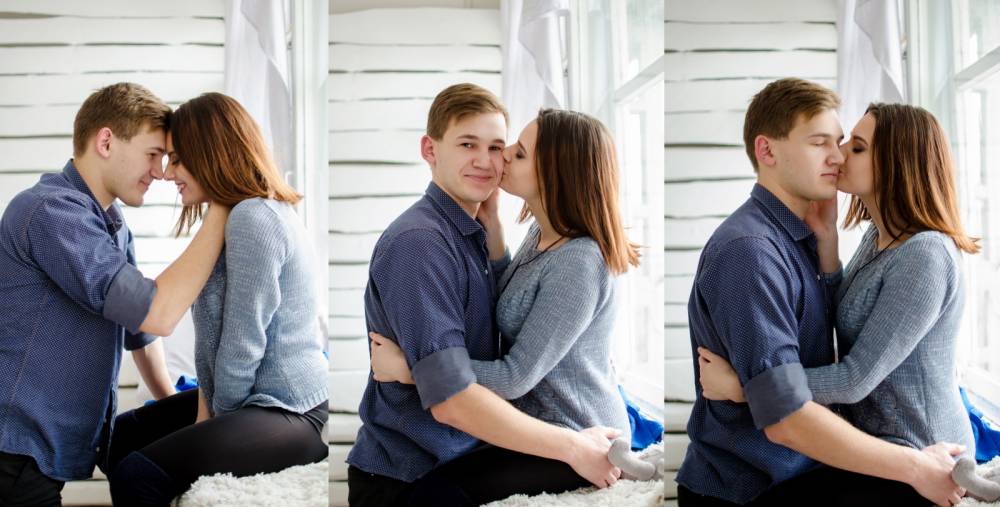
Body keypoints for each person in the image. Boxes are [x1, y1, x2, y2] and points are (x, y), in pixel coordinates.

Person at [675, 78, 965, 507]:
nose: (838, 156)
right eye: (820, 143)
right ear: (767, 151)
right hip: (753, 484)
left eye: (848, 144)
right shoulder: (753, 252)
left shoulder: (912, 251)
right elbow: (787, 417)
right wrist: (827, 243)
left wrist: (745, 387)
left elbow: (849, 367)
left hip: (915, 448)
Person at [346, 84, 622, 507]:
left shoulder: (560, 253)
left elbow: (512, 355)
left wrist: (410, 369)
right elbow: (454, 396)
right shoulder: (424, 243)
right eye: (467, 144)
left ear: (555, 172)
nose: (493, 160)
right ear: (430, 149)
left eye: (501, 148)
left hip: (562, 430)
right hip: (410, 469)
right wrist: (494, 232)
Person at [0, 83, 228, 506]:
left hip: (46, 448)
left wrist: (169, 403)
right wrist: (222, 203)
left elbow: (140, 330)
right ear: (106, 142)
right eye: (153, 154)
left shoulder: (112, 222)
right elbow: (155, 312)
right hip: (13, 450)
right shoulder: (51, 211)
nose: (160, 171)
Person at [103, 92, 329, 506]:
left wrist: (209, 422)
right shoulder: (232, 215)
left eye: (177, 159)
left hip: (290, 410)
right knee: (118, 439)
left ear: (209, 154)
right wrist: (204, 410)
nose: (168, 173)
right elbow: (216, 335)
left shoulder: (254, 218)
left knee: (137, 475)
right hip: (248, 397)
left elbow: (243, 343)